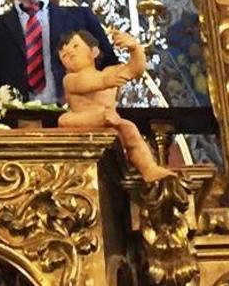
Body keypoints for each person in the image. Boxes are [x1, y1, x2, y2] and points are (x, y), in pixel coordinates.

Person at [57, 30, 173, 182]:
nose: (70, 53)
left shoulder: (110, 72)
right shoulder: (70, 79)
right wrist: (107, 81)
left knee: (130, 129)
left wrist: (134, 48)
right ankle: (101, 118)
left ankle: (148, 168)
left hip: (112, 120)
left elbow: (136, 69)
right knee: (64, 119)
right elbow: (87, 83)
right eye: (64, 55)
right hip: (83, 120)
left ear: (94, 51)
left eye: (75, 46)